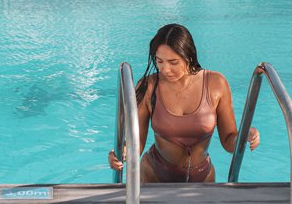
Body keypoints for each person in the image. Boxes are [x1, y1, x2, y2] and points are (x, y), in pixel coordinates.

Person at [108, 23, 260, 183]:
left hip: (203, 178)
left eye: (173, 62)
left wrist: (245, 134)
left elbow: (229, 141)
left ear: (189, 56)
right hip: (154, 175)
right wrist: (122, 152)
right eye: (160, 61)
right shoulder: (149, 87)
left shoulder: (216, 84)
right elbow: (136, 143)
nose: (165, 69)